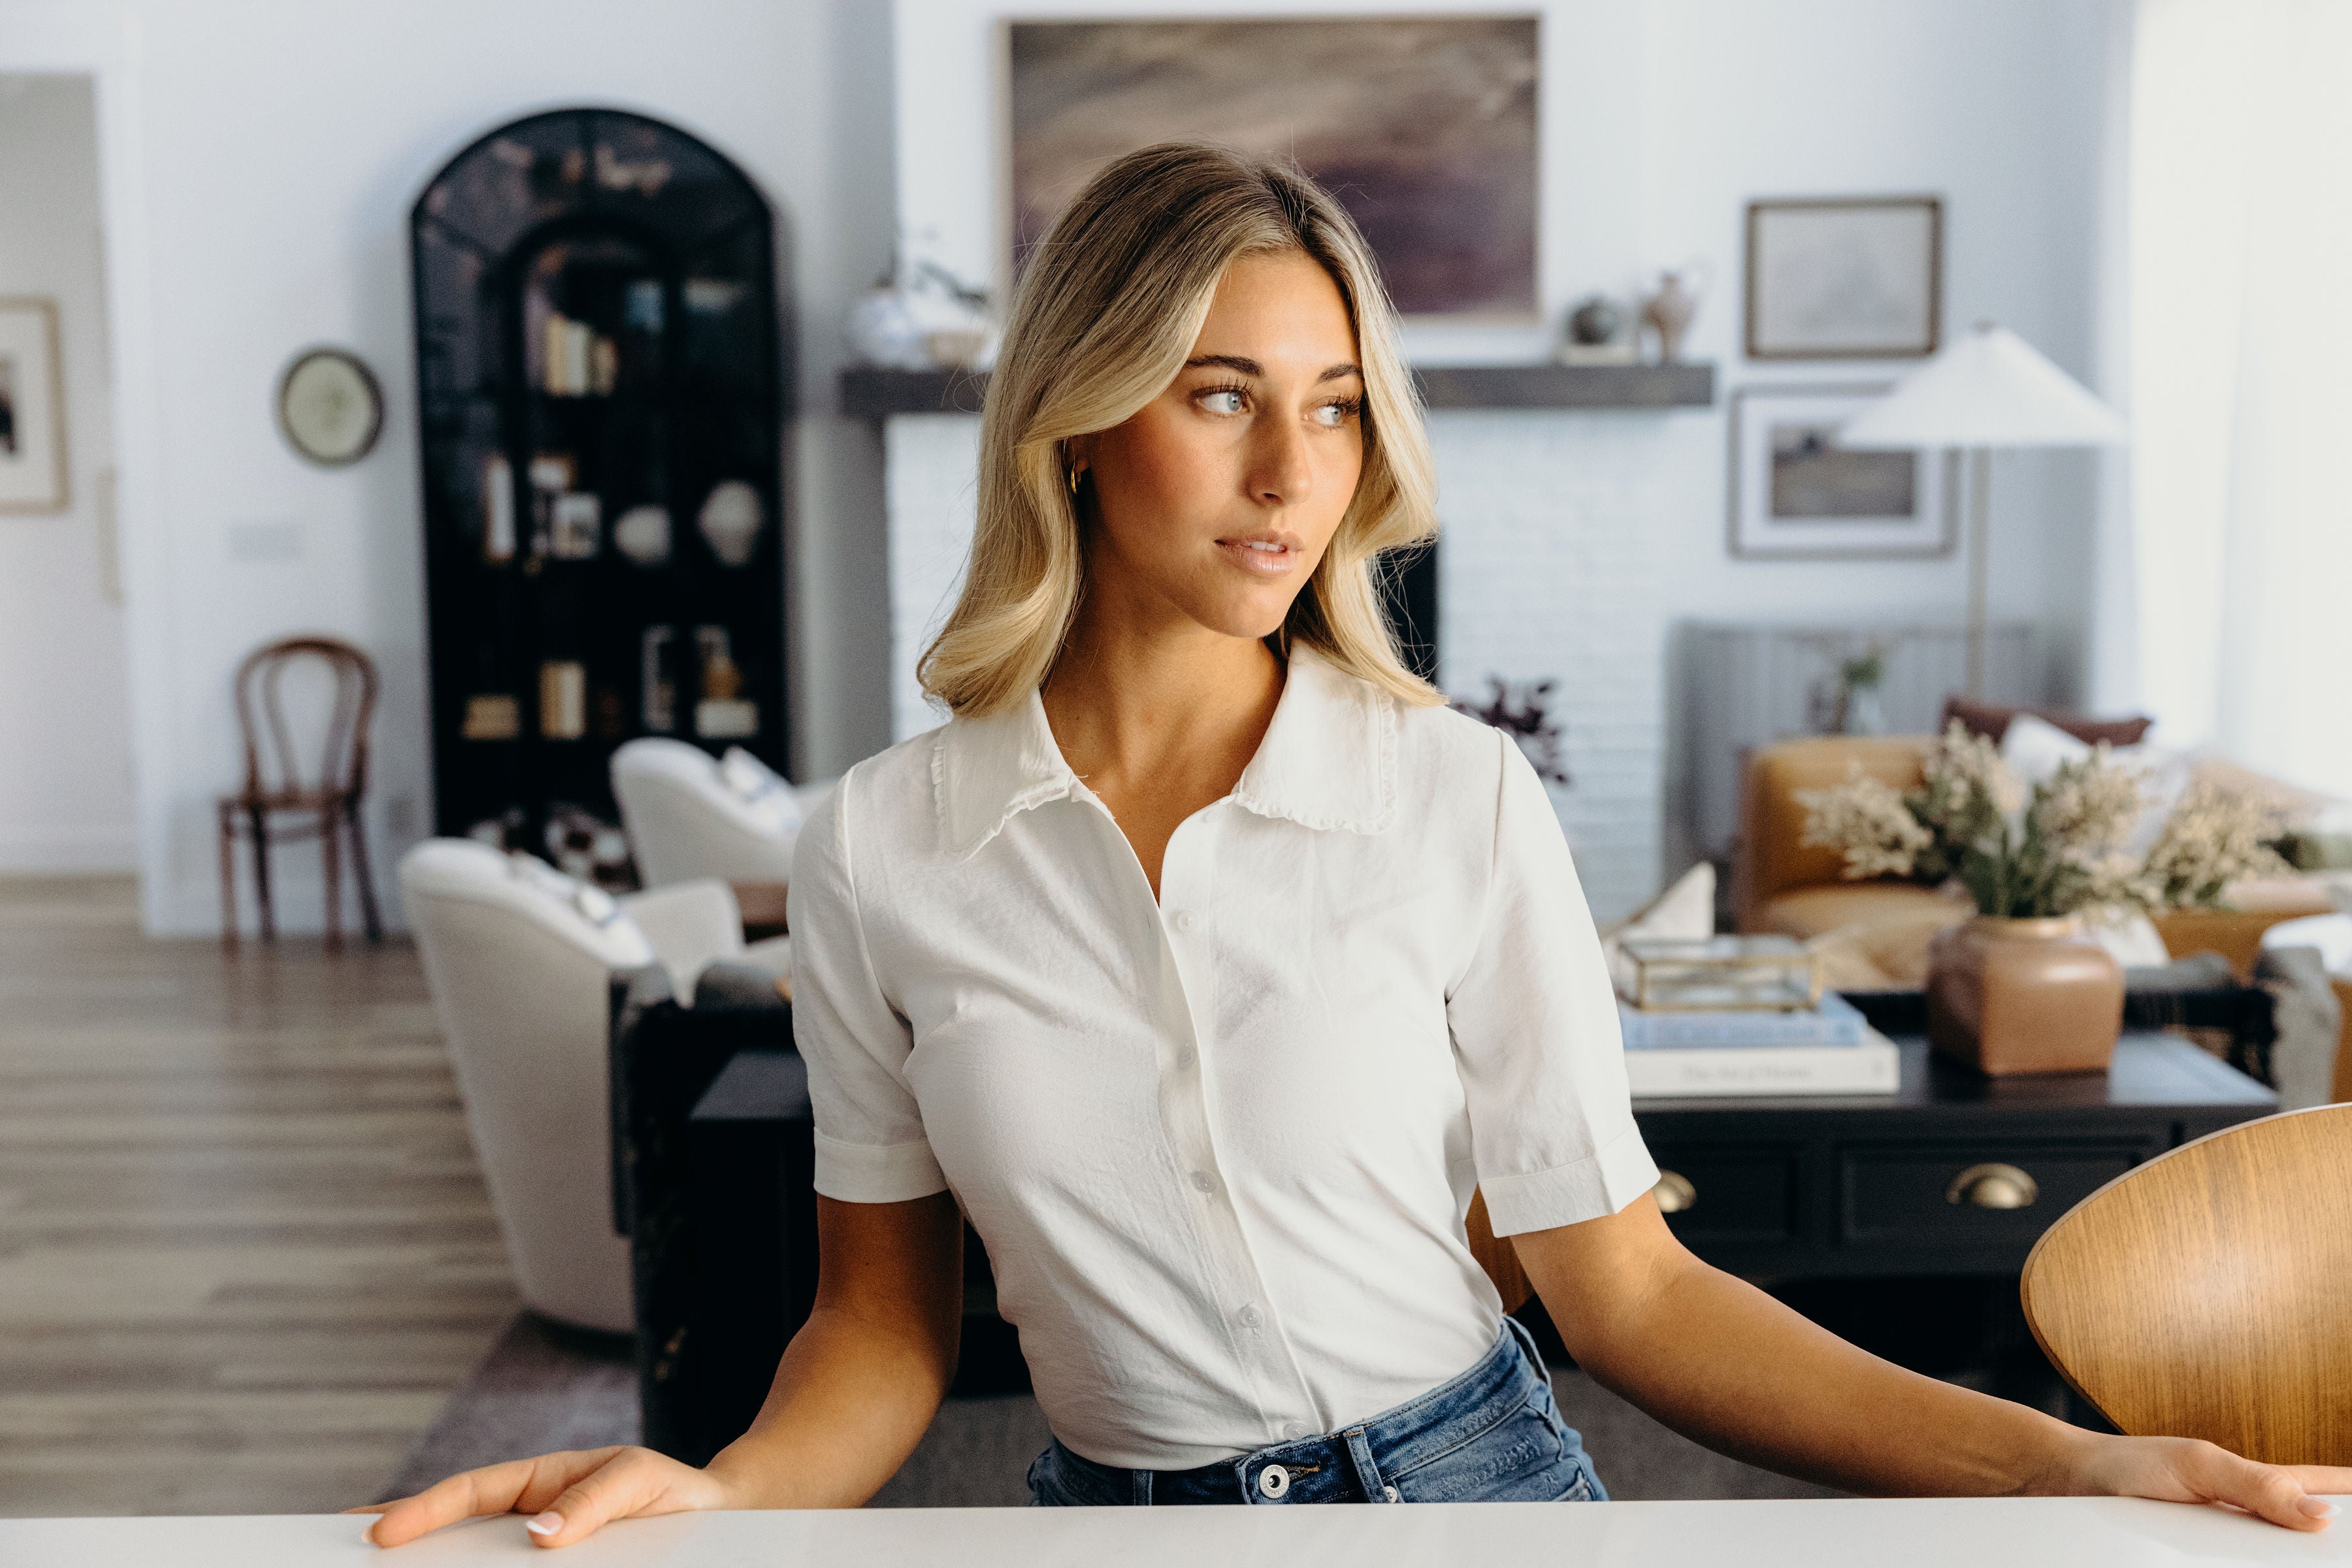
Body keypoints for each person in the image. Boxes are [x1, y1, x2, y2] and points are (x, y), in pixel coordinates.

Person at [361, 144, 2350, 1547]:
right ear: (1080, 420)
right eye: (1222, 395)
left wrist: (2063, 1463)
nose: (1292, 473)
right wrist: (717, 1491)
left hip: (1473, 1492)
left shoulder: (1453, 794)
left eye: (1332, 406)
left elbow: (1629, 1294)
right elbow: (879, 1326)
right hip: (1110, 1517)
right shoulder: (888, 846)